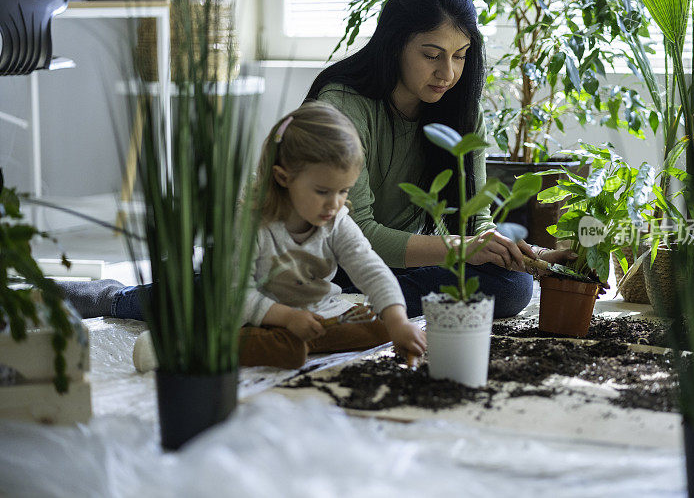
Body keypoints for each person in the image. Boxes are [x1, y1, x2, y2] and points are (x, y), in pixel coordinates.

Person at [61, 101, 426, 370]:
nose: (336, 204)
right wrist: (284, 317)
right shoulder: (254, 224)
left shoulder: (336, 220)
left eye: (344, 192)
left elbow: (371, 269)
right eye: (323, 191)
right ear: (284, 178)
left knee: (380, 324)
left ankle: (300, 338)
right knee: (283, 347)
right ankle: (149, 324)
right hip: (250, 312)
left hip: (315, 313)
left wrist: (397, 319)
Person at [306, 0, 574, 318]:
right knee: (494, 288)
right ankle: (345, 301)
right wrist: (461, 250)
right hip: (333, 262)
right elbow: (357, 235)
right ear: (395, 43)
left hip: (396, 267)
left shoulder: (460, 110)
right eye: (432, 55)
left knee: (513, 286)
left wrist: (534, 259)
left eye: (460, 55)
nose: (447, 73)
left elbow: (476, 224)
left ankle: (366, 305)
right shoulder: (343, 105)